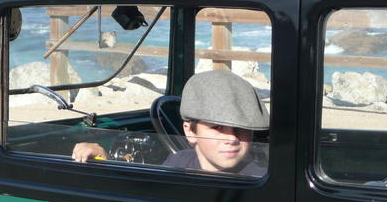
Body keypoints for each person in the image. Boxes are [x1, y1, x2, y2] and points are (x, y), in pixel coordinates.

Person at [72, 69, 269, 175]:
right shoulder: (178, 161)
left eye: (241, 128)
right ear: (190, 132)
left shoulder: (259, 176)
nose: (232, 138)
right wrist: (105, 162)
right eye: (217, 127)